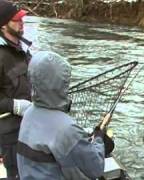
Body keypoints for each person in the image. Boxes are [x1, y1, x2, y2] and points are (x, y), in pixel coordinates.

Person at [17, 51, 109, 179]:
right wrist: (99, 137)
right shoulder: (66, 130)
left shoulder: (28, 114)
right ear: (60, 84)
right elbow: (95, 169)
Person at [0, 0, 32, 178]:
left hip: (30, 127)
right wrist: (14, 105)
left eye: (22, 19)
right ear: (4, 25)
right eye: (16, 20)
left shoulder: (22, 48)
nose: (21, 23)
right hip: (10, 136)